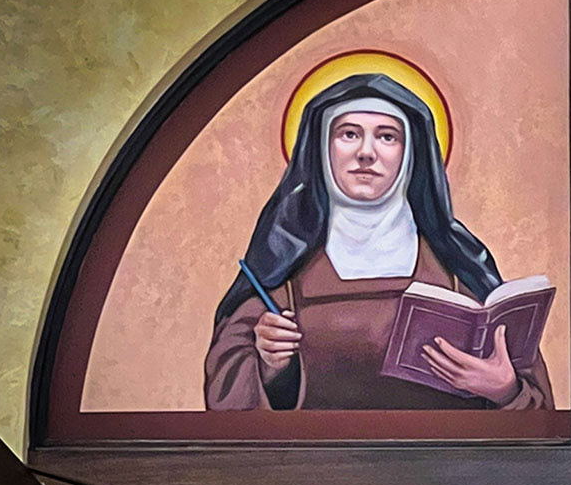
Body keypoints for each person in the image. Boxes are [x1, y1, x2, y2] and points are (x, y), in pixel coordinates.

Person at [205, 72, 552, 412]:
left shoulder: (459, 268)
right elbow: (230, 400)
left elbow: (538, 411)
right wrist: (270, 367)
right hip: (319, 468)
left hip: (447, 467)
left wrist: (506, 390)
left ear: (410, 154)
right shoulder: (281, 273)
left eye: (387, 137)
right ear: (321, 150)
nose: (366, 153)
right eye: (349, 134)